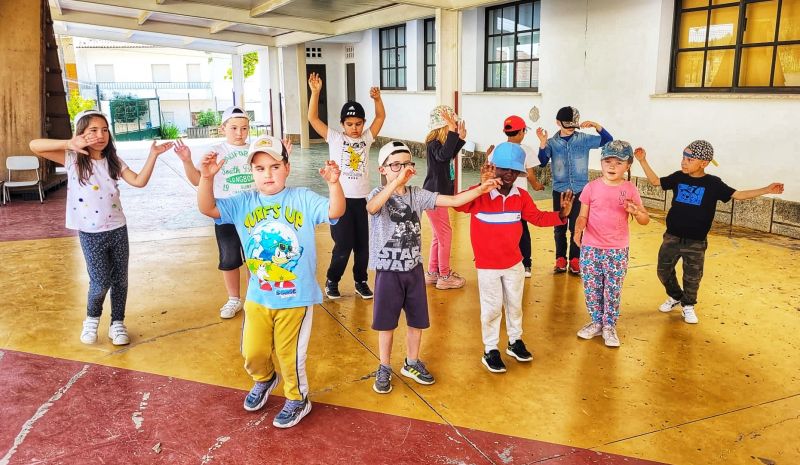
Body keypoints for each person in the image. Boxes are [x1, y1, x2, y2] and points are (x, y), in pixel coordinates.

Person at [197, 134, 344, 428]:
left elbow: (334, 211)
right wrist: (205, 178)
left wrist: (333, 184)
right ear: (251, 172)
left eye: (275, 166)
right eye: (260, 168)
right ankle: (265, 378)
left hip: (296, 296)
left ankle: (297, 398)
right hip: (258, 296)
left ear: (287, 168)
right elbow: (208, 208)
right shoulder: (243, 203)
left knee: (290, 355)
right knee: (253, 352)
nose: (268, 174)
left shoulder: (302, 198)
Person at [29, 110, 174, 345]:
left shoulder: (114, 161)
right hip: (90, 232)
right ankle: (92, 320)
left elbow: (139, 181)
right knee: (100, 282)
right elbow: (35, 145)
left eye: (104, 130)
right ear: (81, 134)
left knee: (120, 280)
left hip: (118, 228)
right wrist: (69, 143)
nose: (100, 135)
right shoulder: (72, 158)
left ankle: (117, 324)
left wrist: (153, 155)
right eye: (93, 131)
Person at [368, 141, 501, 393]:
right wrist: (395, 184)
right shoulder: (377, 193)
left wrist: (480, 190)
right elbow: (372, 208)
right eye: (395, 165)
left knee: (417, 320)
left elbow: (452, 200)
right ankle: (384, 366)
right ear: (383, 169)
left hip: (413, 269)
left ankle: (412, 361)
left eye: (407, 164)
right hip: (387, 271)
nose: (402, 169)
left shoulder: (418, 195)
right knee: (386, 323)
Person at [634, 140, 784, 324]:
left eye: (689, 159)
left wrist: (767, 189)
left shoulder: (713, 184)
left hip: (696, 242)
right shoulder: (678, 177)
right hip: (672, 237)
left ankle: (688, 305)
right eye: (683, 157)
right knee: (663, 271)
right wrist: (642, 161)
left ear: (703, 163)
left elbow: (738, 195)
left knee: (692, 276)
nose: (683, 162)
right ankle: (676, 296)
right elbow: (656, 181)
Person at [456, 142, 573, 373]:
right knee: (491, 309)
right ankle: (490, 349)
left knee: (514, 305)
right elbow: (458, 205)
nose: (508, 174)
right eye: (503, 169)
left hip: (514, 263)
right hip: (488, 266)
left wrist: (561, 215)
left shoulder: (520, 196)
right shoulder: (479, 195)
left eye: (514, 170)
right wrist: (481, 186)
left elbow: (537, 218)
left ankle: (514, 341)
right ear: (492, 167)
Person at [308, 72, 385, 300]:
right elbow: (313, 119)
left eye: (358, 123)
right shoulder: (335, 138)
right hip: (340, 201)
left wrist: (377, 100)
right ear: (342, 124)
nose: (354, 128)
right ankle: (332, 280)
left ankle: (361, 281)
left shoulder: (366, 138)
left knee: (363, 245)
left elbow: (380, 118)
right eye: (349, 124)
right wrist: (315, 93)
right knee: (343, 245)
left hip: (363, 200)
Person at [174, 105, 253, 319]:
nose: (239, 133)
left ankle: (254, 299)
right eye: (234, 128)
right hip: (225, 214)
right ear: (223, 128)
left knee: (255, 258)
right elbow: (197, 180)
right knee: (229, 259)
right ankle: (234, 299)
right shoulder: (216, 151)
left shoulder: (255, 149)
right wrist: (187, 161)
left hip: (254, 214)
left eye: (244, 128)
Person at [573, 140, 650, 348]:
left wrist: (636, 212)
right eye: (608, 161)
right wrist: (578, 229)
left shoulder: (630, 189)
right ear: (601, 163)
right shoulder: (591, 188)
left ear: (628, 165)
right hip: (591, 248)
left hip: (617, 250)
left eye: (618, 162)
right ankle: (596, 322)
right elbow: (582, 215)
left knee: (613, 289)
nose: (612, 166)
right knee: (591, 288)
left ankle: (609, 325)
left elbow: (645, 219)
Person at [537, 106, 612, 274]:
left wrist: (596, 125)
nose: (571, 128)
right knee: (559, 225)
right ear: (558, 123)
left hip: (580, 190)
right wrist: (542, 144)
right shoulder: (551, 143)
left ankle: (576, 259)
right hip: (560, 190)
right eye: (567, 125)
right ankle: (560, 259)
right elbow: (542, 162)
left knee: (577, 226)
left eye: (573, 125)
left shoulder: (583, 139)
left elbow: (607, 141)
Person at [491, 115, 545, 278]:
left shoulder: (498, 148)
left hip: (500, 196)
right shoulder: (526, 149)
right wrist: (537, 186)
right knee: (522, 230)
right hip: (518, 199)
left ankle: (500, 260)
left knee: (499, 229)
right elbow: (530, 174)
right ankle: (525, 264)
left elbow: (491, 168)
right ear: (522, 132)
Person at [422, 105, 468, 289]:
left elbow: (448, 155)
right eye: (451, 125)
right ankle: (445, 275)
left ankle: (433, 272)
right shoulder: (434, 144)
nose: (455, 127)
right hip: (435, 196)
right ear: (443, 127)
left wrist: (460, 139)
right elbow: (443, 155)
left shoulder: (439, 145)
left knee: (438, 236)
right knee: (445, 236)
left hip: (435, 196)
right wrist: (452, 133)